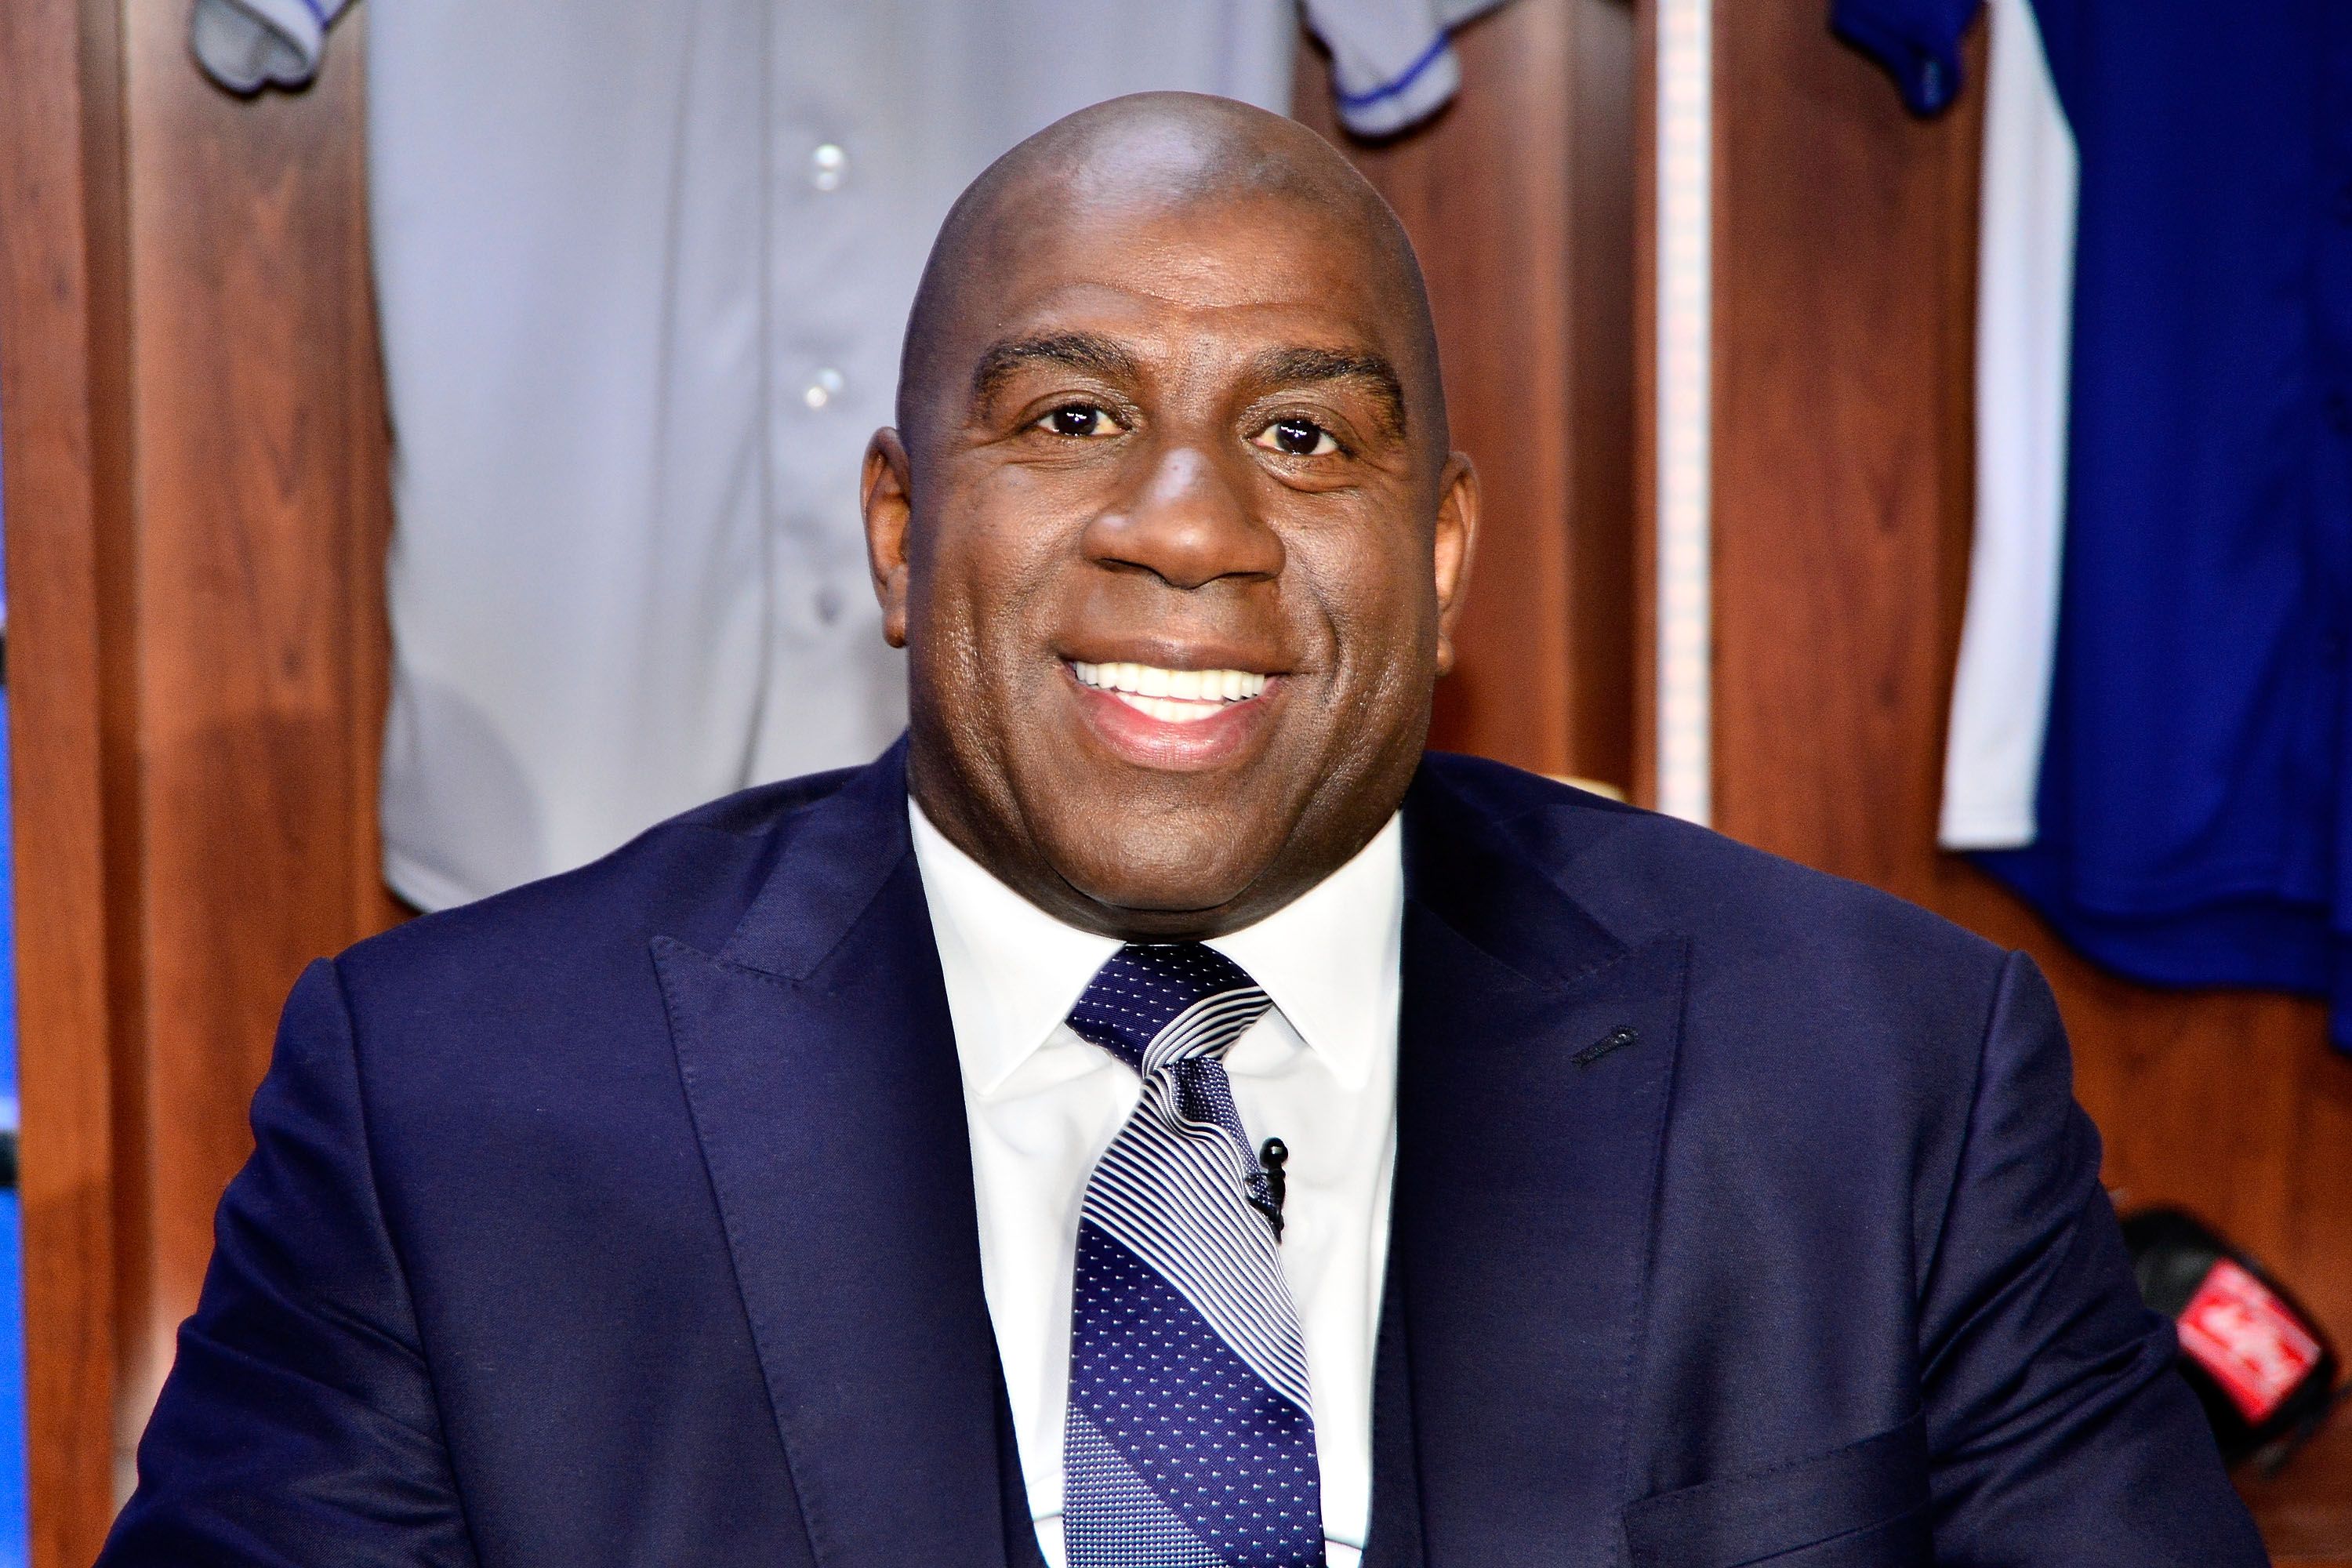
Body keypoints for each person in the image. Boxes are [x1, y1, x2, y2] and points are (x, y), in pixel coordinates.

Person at [100, 94, 2266, 1568]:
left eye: (1304, 435)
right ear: (897, 526)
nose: (1189, 528)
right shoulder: (453, 1103)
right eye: (1070, 418)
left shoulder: (1880, 1076)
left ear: (1439, 553)